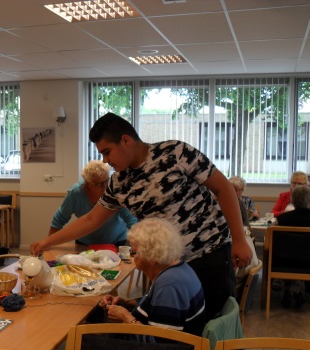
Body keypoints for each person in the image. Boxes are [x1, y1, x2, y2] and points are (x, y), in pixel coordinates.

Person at [31, 112, 252, 320]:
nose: (106, 160)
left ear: (126, 141)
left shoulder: (176, 153)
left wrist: (240, 240)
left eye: (107, 151)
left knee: (211, 325)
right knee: (173, 329)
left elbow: (224, 188)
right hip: (168, 268)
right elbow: (91, 219)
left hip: (209, 255)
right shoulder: (119, 182)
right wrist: (47, 241)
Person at [99, 219, 206, 336]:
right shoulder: (177, 268)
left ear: (150, 255)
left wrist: (126, 318)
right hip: (164, 348)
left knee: (81, 342)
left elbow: (158, 345)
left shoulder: (169, 285)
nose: (132, 257)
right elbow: (155, 306)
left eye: (134, 253)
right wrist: (126, 303)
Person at [49, 160, 137, 246]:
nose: (105, 187)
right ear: (87, 183)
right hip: (84, 244)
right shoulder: (76, 193)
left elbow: (131, 220)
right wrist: (48, 245)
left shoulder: (114, 190)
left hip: (116, 242)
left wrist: (137, 246)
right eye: (99, 184)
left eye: (106, 181)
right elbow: (59, 220)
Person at [275, 184, 310, 308]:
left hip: (283, 262)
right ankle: (299, 289)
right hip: (309, 263)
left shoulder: (281, 219)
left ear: (292, 200)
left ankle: (289, 288)